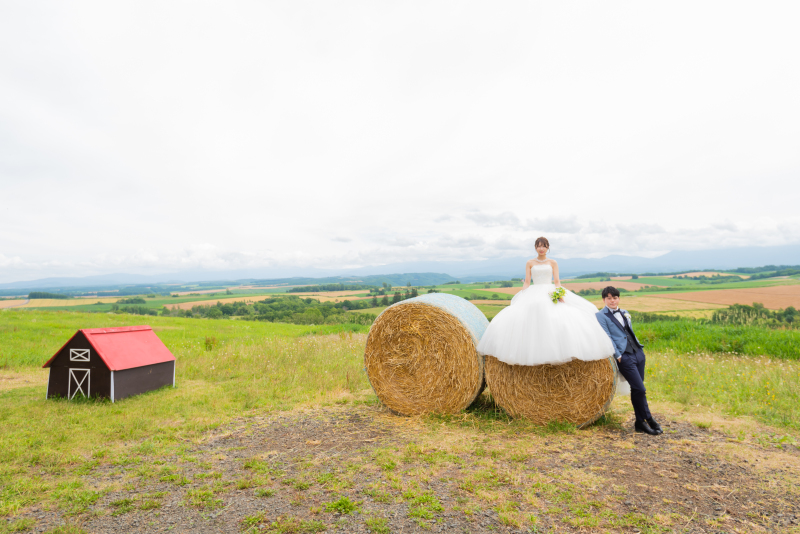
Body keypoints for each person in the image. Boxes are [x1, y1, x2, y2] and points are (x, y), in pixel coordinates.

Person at [477, 237, 615, 366]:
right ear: (535, 248)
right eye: (538, 246)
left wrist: (560, 294)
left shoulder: (553, 262)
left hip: (550, 291)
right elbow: (527, 282)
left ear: (548, 248)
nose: (541, 249)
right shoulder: (530, 263)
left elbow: (557, 281)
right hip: (534, 291)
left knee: (557, 317)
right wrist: (523, 295)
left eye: (544, 246)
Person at [595, 286, 663, 436]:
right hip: (624, 357)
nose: (612, 301)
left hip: (638, 353)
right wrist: (618, 355)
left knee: (637, 390)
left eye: (615, 298)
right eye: (609, 298)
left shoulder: (625, 312)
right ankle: (649, 419)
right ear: (604, 300)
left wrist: (640, 350)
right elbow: (607, 337)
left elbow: (629, 332)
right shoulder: (601, 315)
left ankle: (639, 423)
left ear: (618, 298)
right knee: (641, 389)